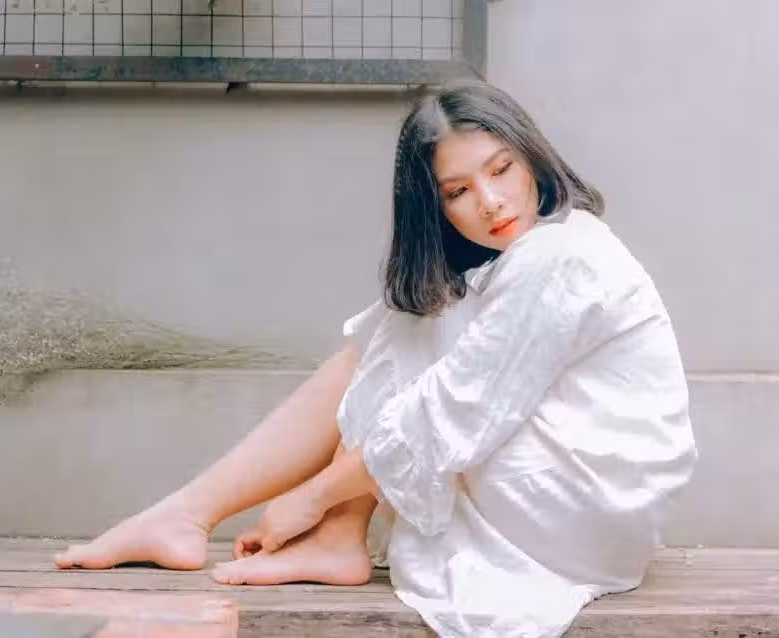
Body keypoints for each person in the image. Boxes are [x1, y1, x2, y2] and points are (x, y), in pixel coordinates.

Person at [54, 81, 698, 637]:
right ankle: (242, 523)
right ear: (436, 208)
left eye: (502, 169)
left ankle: (243, 520)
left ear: (532, 156)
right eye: (458, 190)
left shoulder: (560, 258)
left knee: (412, 332)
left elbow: (448, 416)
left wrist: (310, 497)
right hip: (593, 515)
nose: (491, 201)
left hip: (582, 516)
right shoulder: (548, 252)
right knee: (413, 321)